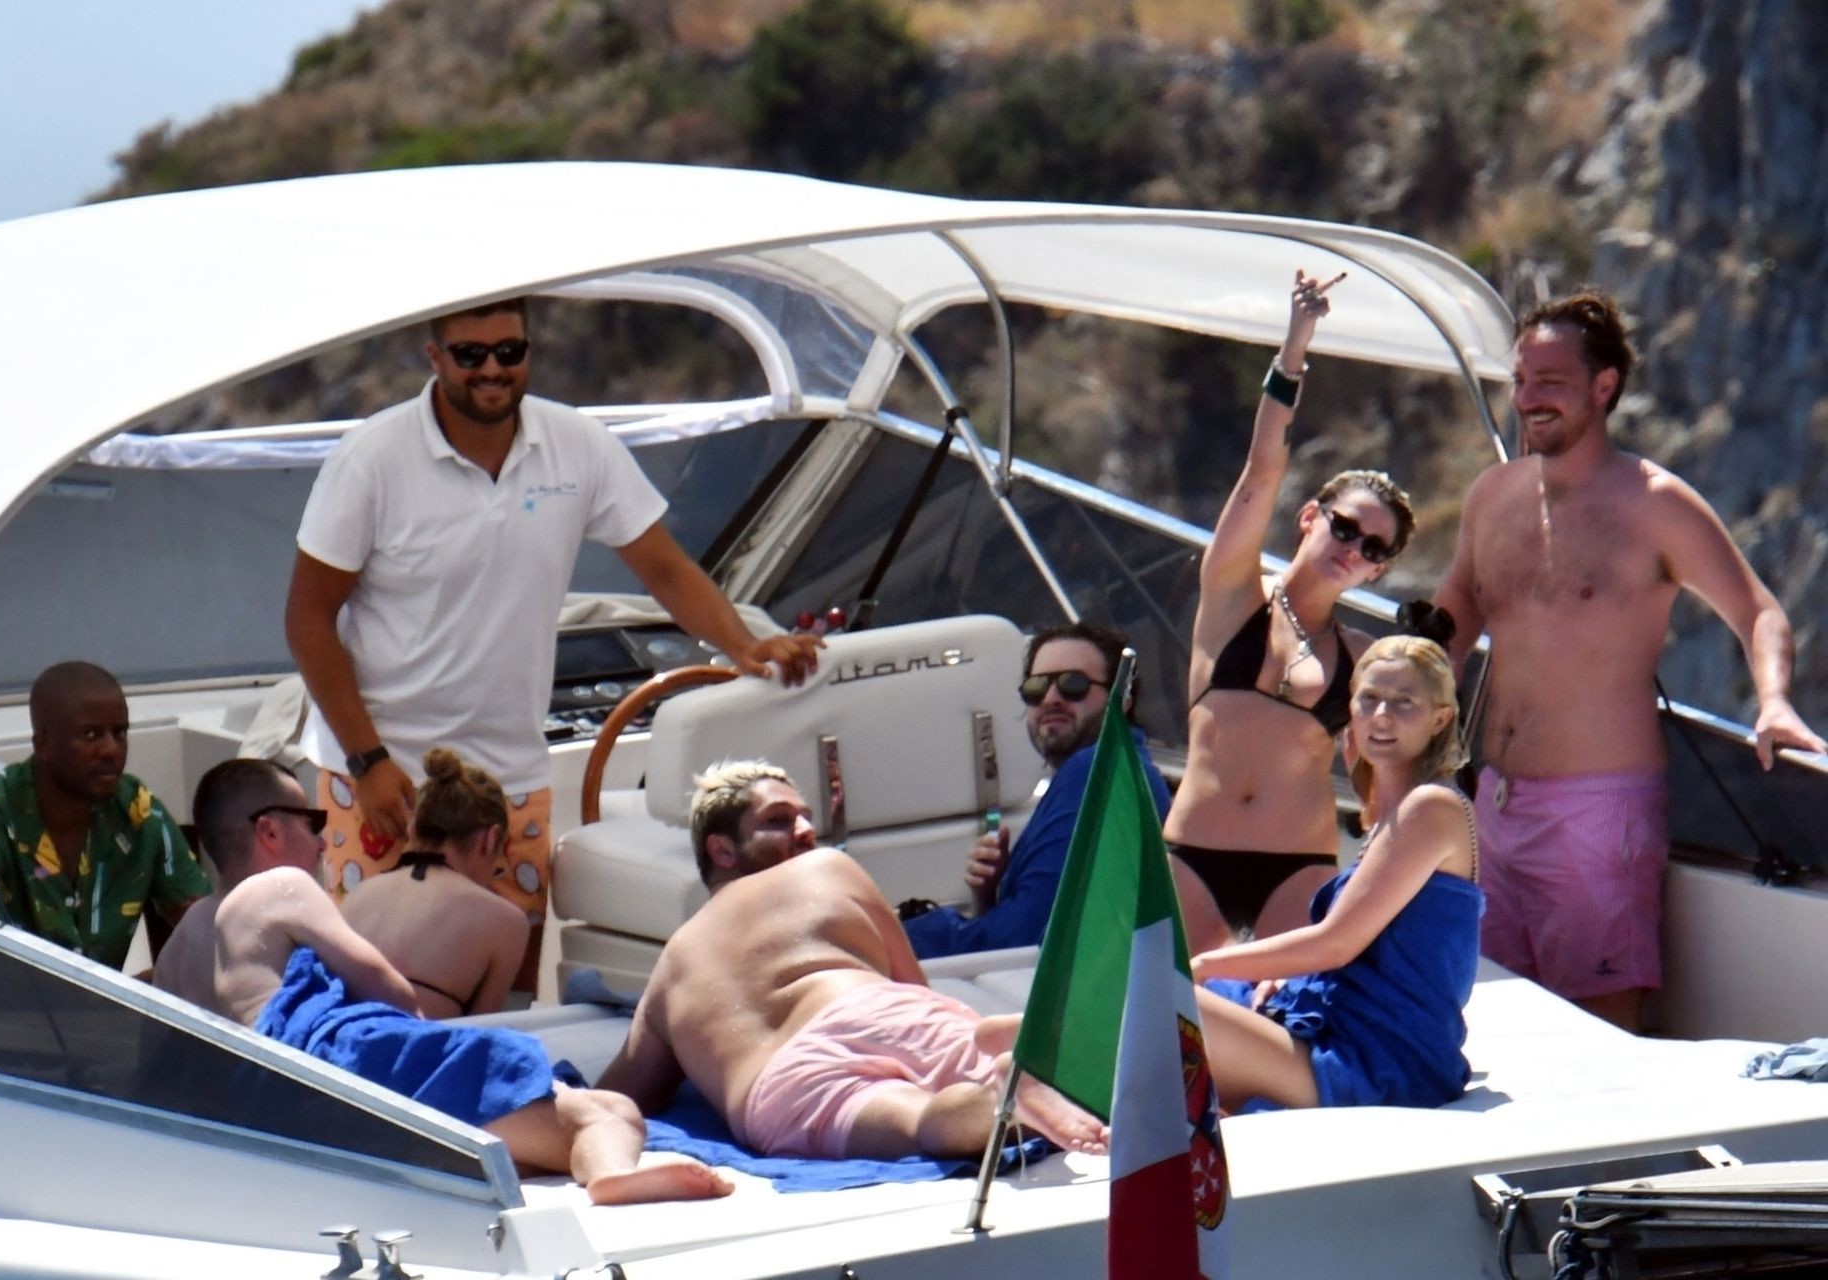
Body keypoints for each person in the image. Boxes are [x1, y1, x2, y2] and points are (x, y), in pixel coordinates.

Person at [283, 297, 822, 986]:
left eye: (509, 351)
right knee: (371, 986)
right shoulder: (371, 459)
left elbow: (663, 567)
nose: (492, 369)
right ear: (435, 357)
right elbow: (308, 619)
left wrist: (745, 647)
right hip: (386, 776)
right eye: (470, 354)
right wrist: (368, 761)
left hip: (511, 775)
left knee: (505, 981)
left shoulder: (578, 445)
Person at [1434, 290, 1824, 1030]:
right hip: (1492, 805)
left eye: (1550, 382)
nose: (1528, 399)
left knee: (1599, 1035)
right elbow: (1459, 601)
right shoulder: (1492, 495)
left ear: (1603, 385)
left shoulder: (1655, 504)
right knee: (1487, 1021)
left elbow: (1759, 611)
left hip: (1597, 814)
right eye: (1520, 380)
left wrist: (1774, 701)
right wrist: (1410, 683)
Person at [154, 757, 730, 1204]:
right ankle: (609, 1173)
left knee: (554, 1130)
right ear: (270, 832)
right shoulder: (282, 887)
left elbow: (173, 1065)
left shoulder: (179, 947)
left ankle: (580, 1157)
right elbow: (392, 993)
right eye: (313, 822)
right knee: (603, 1111)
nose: (324, 840)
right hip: (341, 1071)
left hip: (273, 1118)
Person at [597, 761, 1108, 1161]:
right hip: (876, 1009)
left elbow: (623, 1097)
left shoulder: (673, 965)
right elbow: (915, 989)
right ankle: (1014, 1063)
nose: (804, 830)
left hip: (784, 1082)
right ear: (722, 850)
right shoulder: (829, 869)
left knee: (921, 1122)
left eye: (805, 817)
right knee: (948, 1058)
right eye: (777, 821)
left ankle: (999, 1098)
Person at [1163, 271, 1417, 952]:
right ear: (1309, 517)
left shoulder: (1363, 656)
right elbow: (1261, 471)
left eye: (1372, 549)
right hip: (1192, 855)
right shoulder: (1232, 592)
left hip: (1298, 866)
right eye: (1344, 527)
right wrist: (1295, 346)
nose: (1352, 549)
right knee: (1165, 1010)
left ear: (1379, 570)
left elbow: (1381, 775)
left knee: (1286, 1014)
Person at [1190, 635, 1482, 1111]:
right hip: (1343, 1034)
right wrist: (1290, 976)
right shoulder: (1392, 815)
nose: (1382, 716)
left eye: (1404, 703)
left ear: (1441, 719)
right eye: (1370, 698)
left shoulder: (1430, 807)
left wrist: (1204, 964)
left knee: (1169, 1000)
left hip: (1379, 1062)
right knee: (1156, 1002)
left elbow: (1337, 943)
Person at [902, 622, 1170, 958]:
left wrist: (896, 935)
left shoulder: (1099, 771)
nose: (1051, 698)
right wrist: (990, 896)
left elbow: (1030, 935)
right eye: (1036, 687)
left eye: (1074, 684)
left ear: (1123, 698)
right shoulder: (1114, 768)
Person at [0, 661, 209, 970]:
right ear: (42, 744)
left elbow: (206, 928)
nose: (111, 750)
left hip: (97, 1002)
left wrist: (165, 980)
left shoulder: (137, 812)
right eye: (91, 735)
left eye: (119, 733)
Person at [341, 747, 528, 1018]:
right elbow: (482, 1029)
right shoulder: (506, 921)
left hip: (333, 1039)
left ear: (412, 828)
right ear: (491, 839)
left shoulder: (358, 895)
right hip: (410, 1044)